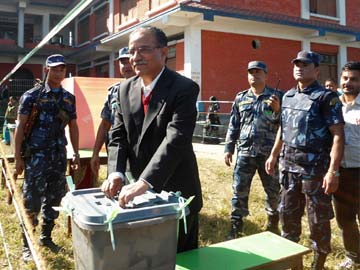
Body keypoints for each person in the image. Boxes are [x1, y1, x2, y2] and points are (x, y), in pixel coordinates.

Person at [101, 26, 203, 252]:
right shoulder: (124, 89)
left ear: (163, 52)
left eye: (143, 50)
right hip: (137, 194)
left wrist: (145, 182)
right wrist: (116, 172)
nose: (135, 57)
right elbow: (118, 135)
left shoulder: (184, 88)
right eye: (131, 51)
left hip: (177, 189)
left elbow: (176, 139)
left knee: (180, 256)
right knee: (145, 255)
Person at [265, 50, 344, 270]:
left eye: (305, 64)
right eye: (297, 64)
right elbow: (283, 127)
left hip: (315, 171)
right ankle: (293, 261)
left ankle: (318, 262)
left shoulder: (326, 98)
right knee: (287, 216)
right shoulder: (288, 96)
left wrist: (333, 171)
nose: (299, 67)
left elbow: (338, 134)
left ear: (317, 70)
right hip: (288, 168)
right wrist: (273, 154)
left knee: (317, 220)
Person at [14, 54, 80, 259]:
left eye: (62, 69)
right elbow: (20, 126)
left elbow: (73, 126)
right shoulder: (31, 96)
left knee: (54, 199)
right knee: (31, 200)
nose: (59, 73)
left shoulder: (69, 98)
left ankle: (46, 237)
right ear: (46, 70)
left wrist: (76, 153)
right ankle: (28, 244)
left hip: (58, 157)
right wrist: (17, 157)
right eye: (55, 69)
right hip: (36, 157)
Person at [224, 61, 282, 239]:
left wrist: (277, 110)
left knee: (273, 191)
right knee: (239, 190)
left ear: (266, 75)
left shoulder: (277, 96)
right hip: (245, 153)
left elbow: (285, 125)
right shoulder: (241, 98)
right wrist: (228, 148)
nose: (254, 75)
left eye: (258, 72)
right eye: (251, 72)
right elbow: (234, 125)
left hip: (268, 154)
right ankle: (236, 225)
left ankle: (273, 223)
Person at [90, 47, 135, 177]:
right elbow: (105, 124)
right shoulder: (113, 92)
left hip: (138, 155)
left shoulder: (146, 89)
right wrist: (95, 153)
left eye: (129, 61)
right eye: (123, 62)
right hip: (116, 154)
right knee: (115, 189)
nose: (127, 66)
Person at [333, 61, 360, 270]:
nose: (348, 83)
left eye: (353, 79)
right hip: (341, 173)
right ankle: (354, 256)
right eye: (345, 78)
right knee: (345, 219)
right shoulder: (333, 106)